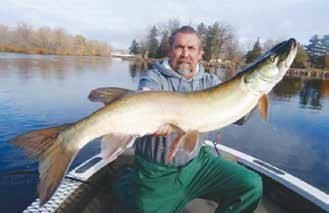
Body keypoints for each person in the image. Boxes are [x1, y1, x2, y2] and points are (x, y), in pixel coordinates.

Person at [112, 26, 262, 213]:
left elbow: (240, 118)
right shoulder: (154, 77)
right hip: (157, 172)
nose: (185, 54)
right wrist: (150, 112)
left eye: (191, 48)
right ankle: (126, 182)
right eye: (179, 47)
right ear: (170, 51)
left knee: (250, 185)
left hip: (198, 163)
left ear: (200, 54)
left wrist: (256, 94)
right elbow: (146, 93)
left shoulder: (210, 82)